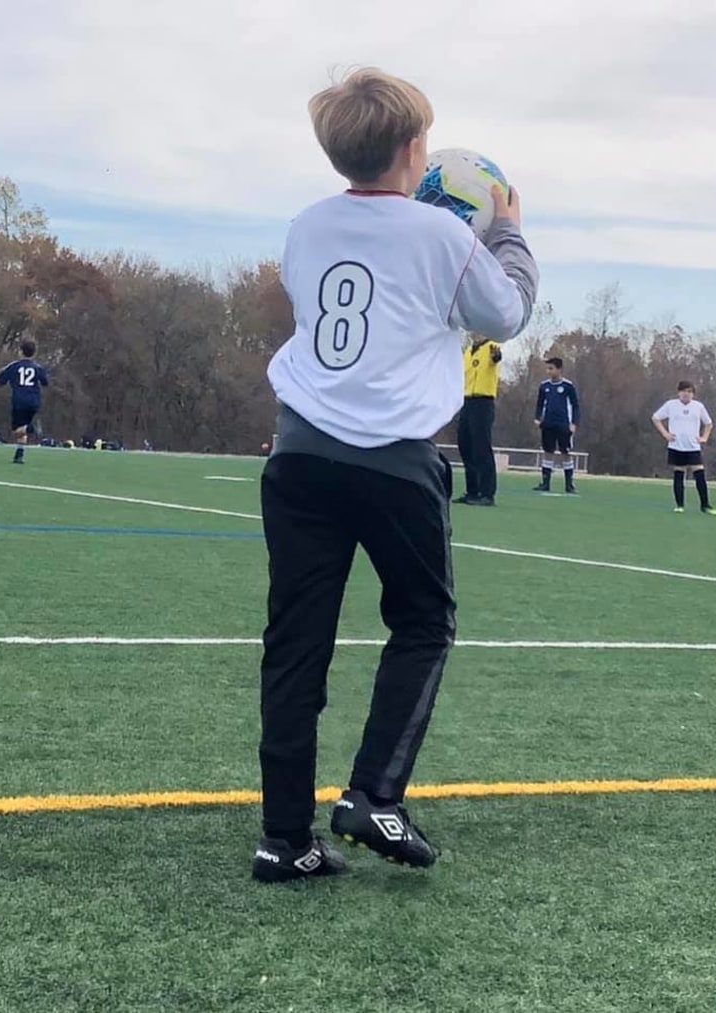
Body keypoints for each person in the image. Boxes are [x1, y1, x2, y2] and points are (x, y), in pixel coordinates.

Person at [252, 67, 539, 883]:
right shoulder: (444, 237)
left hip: (300, 452)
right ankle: (375, 792)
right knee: (422, 622)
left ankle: (283, 836)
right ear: (416, 150)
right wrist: (506, 232)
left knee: (294, 643)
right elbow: (507, 313)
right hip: (393, 459)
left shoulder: (305, 226)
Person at [651, 381, 716, 515]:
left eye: (689, 391)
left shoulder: (698, 406)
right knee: (679, 474)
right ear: (678, 392)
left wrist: (704, 437)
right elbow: (655, 418)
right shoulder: (671, 405)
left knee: (699, 474)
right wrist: (665, 434)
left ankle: (705, 505)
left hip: (693, 447)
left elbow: (709, 423)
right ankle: (680, 505)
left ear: (693, 394)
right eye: (683, 391)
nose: (686, 394)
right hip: (676, 446)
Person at [454, 336, 502, 506]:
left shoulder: (491, 346)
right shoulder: (467, 352)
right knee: (465, 444)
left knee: (481, 446)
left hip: (483, 401)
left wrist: (496, 356)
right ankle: (472, 491)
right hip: (466, 401)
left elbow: (496, 358)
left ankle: (487, 493)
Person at [0, 339, 48, 464]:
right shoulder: (37, 367)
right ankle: (19, 456)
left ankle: (32, 429)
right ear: (34, 353)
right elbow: (45, 382)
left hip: (19, 402)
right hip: (34, 402)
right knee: (22, 430)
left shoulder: (14, 366)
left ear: (20, 352)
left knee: (18, 430)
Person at [533, 357, 580, 493]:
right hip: (548, 424)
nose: (548, 371)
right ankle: (545, 483)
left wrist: (574, 423)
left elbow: (575, 406)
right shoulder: (544, 386)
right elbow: (540, 404)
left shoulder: (567, 386)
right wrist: (537, 418)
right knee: (548, 452)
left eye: (551, 368)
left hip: (563, 424)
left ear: (559, 369)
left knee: (566, 452)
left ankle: (569, 485)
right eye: (547, 368)